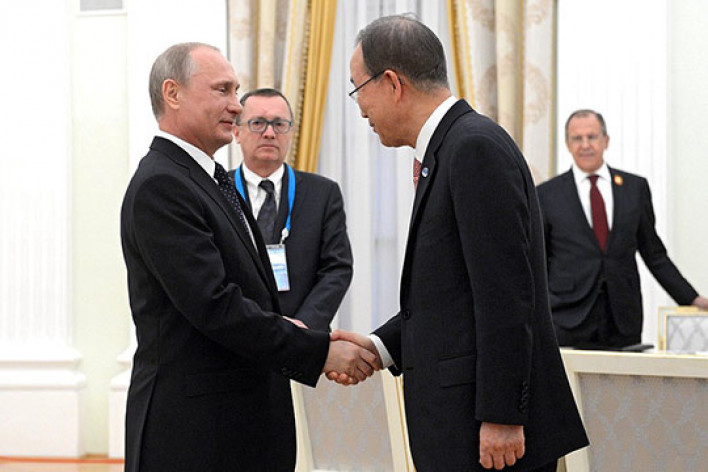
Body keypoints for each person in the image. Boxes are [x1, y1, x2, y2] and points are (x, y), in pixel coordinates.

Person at [330, 15, 588, 472]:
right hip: (463, 427)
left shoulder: (472, 148)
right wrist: (378, 346)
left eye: (358, 89)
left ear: (392, 83)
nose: (360, 108)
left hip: (488, 436)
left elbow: (507, 295)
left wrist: (502, 415)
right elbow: (452, 293)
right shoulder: (450, 148)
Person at [120, 42, 375, 472]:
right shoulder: (163, 185)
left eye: (236, 91)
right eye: (222, 90)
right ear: (173, 93)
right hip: (195, 435)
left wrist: (298, 331)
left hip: (236, 425)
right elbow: (215, 305)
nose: (236, 105)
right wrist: (316, 350)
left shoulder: (205, 178)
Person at [537, 109, 708, 349]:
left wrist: (691, 298)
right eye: (577, 138)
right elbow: (538, 260)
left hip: (622, 319)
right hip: (567, 319)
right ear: (567, 144)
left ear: (605, 140)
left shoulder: (634, 188)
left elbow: (654, 255)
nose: (585, 145)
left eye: (592, 137)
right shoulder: (546, 195)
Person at [230, 88, 353, 331]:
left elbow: (337, 268)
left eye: (279, 124)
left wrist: (303, 325)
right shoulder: (216, 190)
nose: (269, 133)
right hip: (234, 336)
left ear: (291, 132)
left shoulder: (323, 193)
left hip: (303, 336)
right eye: (257, 123)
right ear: (236, 132)